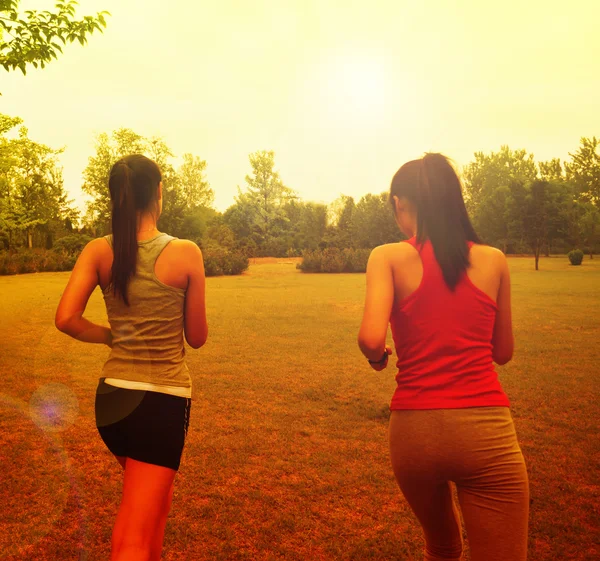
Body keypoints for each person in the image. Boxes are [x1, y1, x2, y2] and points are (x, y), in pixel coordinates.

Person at [357, 153, 529, 561]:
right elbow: (503, 353)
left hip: (414, 434)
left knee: (443, 547)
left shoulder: (388, 256)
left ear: (400, 203)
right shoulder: (493, 260)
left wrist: (379, 357)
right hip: (485, 433)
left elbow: (369, 338)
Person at [55, 154, 208, 561]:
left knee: (151, 508)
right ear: (158, 193)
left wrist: (112, 336)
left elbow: (66, 319)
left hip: (112, 402)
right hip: (159, 403)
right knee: (135, 540)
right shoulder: (185, 252)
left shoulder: (98, 250)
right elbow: (197, 338)